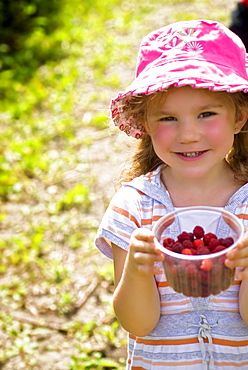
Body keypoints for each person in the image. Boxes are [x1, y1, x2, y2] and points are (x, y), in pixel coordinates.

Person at [95, 19, 248, 369]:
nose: (188, 135)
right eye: (168, 119)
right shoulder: (134, 207)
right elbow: (138, 324)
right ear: (146, 125)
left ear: (239, 118)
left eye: (206, 113)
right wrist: (136, 270)